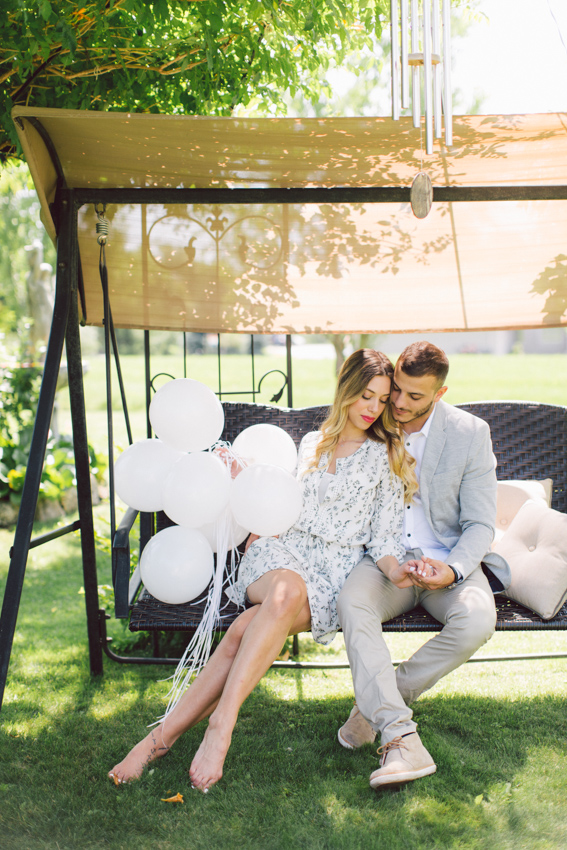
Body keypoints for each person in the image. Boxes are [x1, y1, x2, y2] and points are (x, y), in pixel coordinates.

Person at [108, 349, 417, 792]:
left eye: (382, 400)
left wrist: (398, 570)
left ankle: (160, 739)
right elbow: (282, 498)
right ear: (346, 389)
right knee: (285, 592)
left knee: (241, 634)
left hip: (331, 576)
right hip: (280, 557)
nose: (372, 407)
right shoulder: (314, 442)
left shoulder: (385, 454)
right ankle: (221, 726)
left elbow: (386, 538)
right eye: (365, 395)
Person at [336, 341, 510, 790]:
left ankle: (377, 702)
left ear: (441, 392)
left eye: (415, 397)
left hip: (446, 560)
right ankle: (398, 732)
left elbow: (479, 524)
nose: (398, 403)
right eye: (397, 390)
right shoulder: (374, 417)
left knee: (476, 622)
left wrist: (452, 570)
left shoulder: (471, 433)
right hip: (385, 559)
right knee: (353, 601)